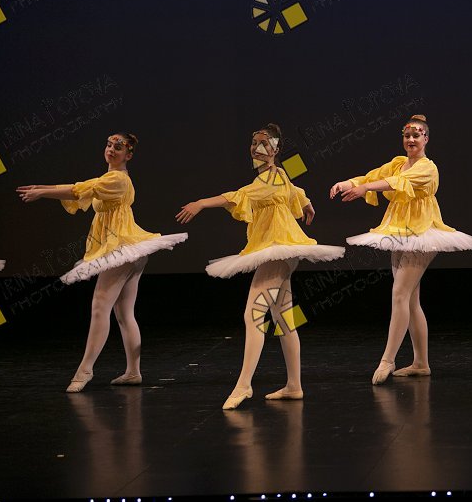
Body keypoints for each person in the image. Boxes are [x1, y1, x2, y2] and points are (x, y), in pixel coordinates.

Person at [177, 123, 344, 409]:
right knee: (283, 317)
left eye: (265, 143)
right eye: (254, 143)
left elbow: (240, 195)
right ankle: (294, 385)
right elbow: (294, 189)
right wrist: (306, 202)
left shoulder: (268, 179)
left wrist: (201, 202)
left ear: (276, 149)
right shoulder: (278, 174)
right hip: (279, 249)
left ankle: (244, 384)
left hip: (279, 250)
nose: (257, 148)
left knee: (253, 314)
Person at [17, 133, 188, 392]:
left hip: (121, 248)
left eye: (118, 147)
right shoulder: (108, 179)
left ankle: (85, 369)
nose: (111, 149)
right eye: (109, 145)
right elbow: (81, 187)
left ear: (128, 155)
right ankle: (133, 372)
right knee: (124, 313)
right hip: (128, 248)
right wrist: (43, 188)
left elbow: (79, 189)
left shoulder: (117, 179)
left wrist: (43, 192)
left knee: (100, 306)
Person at [329, 115, 472, 385]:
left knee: (399, 293)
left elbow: (395, 183)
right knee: (410, 300)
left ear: (426, 139)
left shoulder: (427, 168)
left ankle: (388, 359)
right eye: (407, 135)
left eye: (416, 135)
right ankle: (421, 363)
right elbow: (374, 176)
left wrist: (365, 188)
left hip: (421, 233)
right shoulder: (398, 163)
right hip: (399, 232)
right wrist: (348, 183)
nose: (411, 139)